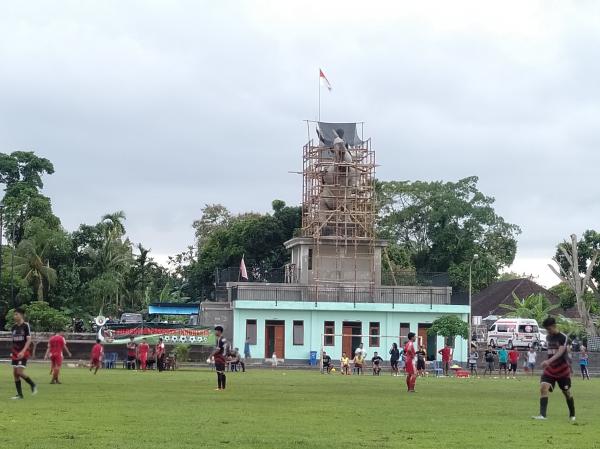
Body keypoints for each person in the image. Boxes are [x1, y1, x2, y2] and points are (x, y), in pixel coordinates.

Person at [533, 317, 575, 421]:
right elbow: (550, 352)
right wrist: (548, 363)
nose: (548, 331)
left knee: (567, 392)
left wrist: (548, 361)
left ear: (553, 326)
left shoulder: (563, 338)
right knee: (543, 388)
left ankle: (572, 414)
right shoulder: (548, 338)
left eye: (548, 329)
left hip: (562, 370)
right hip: (550, 370)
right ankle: (542, 415)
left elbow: (560, 352)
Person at [10, 308, 37, 399]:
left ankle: (33, 384)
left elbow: (29, 340)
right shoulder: (13, 327)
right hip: (15, 353)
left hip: (23, 352)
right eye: (14, 315)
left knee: (19, 372)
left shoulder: (26, 326)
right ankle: (20, 395)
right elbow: (14, 341)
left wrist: (23, 351)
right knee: (15, 373)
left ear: (21, 315)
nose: (15, 316)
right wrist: (12, 352)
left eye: (16, 314)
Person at [211, 325, 228, 390]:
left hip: (218, 357)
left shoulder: (219, 339)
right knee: (222, 372)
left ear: (219, 331)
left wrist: (211, 355)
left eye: (216, 331)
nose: (215, 332)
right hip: (223, 357)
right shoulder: (224, 339)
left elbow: (218, 349)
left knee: (219, 372)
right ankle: (223, 387)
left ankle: (219, 387)